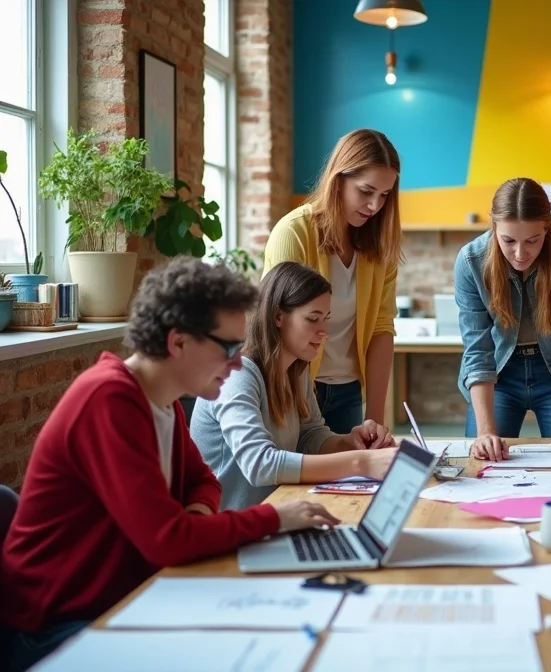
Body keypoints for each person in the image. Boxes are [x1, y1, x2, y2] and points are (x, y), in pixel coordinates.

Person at [0, 258, 339, 672]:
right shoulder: (109, 401)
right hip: (53, 626)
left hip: (120, 596)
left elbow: (204, 480)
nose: (237, 364)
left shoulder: (163, 401)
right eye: (229, 348)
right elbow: (169, 540)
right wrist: (273, 517)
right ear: (178, 342)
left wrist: (194, 516)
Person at [191, 262, 398, 510]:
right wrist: (361, 463)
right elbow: (260, 464)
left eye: (326, 319)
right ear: (278, 317)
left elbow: (310, 436)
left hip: (273, 516)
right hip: (229, 530)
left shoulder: (297, 370)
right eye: (313, 319)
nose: (325, 331)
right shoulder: (237, 375)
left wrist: (351, 442)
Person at [263, 128, 402, 435]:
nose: (375, 206)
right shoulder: (293, 233)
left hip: (348, 391)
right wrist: (298, 396)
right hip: (292, 388)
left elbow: (381, 328)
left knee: (349, 480)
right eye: (366, 192)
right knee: (297, 480)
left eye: (384, 195)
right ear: (338, 180)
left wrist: (375, 416)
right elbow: (274, 324)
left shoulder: (381, 246)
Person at [454, 177, 551, 461]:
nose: (521, 254)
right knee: (484, 459)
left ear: (548, 227)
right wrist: (485, 432)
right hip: (500, 373)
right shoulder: (471, 260)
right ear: (494, 227)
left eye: (533, 240)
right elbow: (478, 350)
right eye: (508, 240)